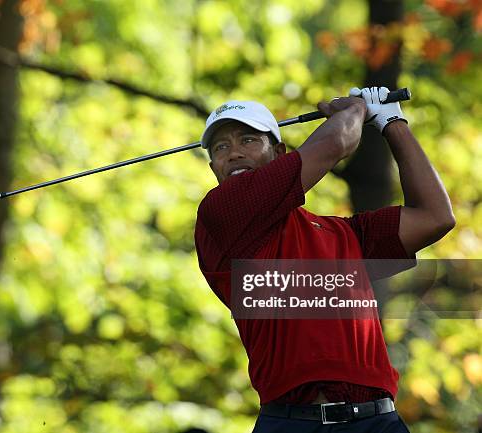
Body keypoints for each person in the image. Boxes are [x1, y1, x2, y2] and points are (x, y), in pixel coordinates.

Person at [194, 87, 455, 432]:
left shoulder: (343, 234)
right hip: (290, 422)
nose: (234, 153)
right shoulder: (223, 213)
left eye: (248, 140)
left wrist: (393, 121)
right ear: (213, 166)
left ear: (278, 152)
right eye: (221, 147)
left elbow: (436, 216)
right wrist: (356, 109)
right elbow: (336, 143)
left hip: (376, 422)